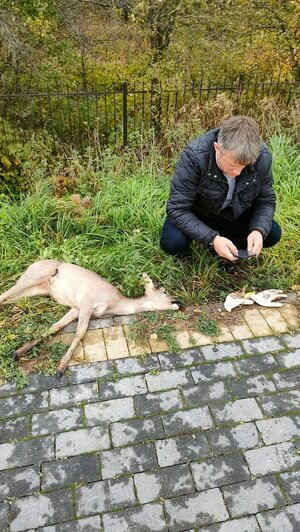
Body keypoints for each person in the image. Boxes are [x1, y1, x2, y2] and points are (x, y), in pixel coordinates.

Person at [160, 115, 281, 263]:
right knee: (173, 242)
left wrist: (258, 230)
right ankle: (211, 244)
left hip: (233, 215)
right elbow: (177, 208)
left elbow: (265, 201)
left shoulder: (262, 157)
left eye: (243, 167)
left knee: (272, 233)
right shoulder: (194, 156)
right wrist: (212, 238)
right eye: (232, 166)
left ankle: (229, 249)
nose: (237, 172)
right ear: (217, 148)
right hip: (198, 215)